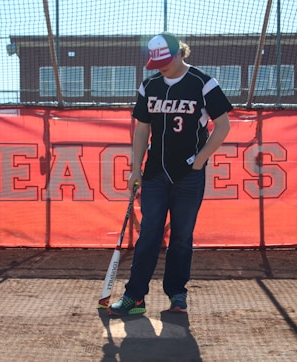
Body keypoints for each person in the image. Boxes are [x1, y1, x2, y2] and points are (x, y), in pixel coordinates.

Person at [107, 32, 232, 316]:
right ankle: (135, 297)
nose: (160, 66)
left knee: (181, 236)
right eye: (156, 60)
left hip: (189, 175)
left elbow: (223, 126)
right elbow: (142, 129)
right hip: (154, 175)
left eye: (165, 59)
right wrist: (135, 168)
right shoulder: (149, 85)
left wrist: (200, 161)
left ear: (179, 53)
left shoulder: (203, 82)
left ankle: (177, 294)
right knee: (149, 234)